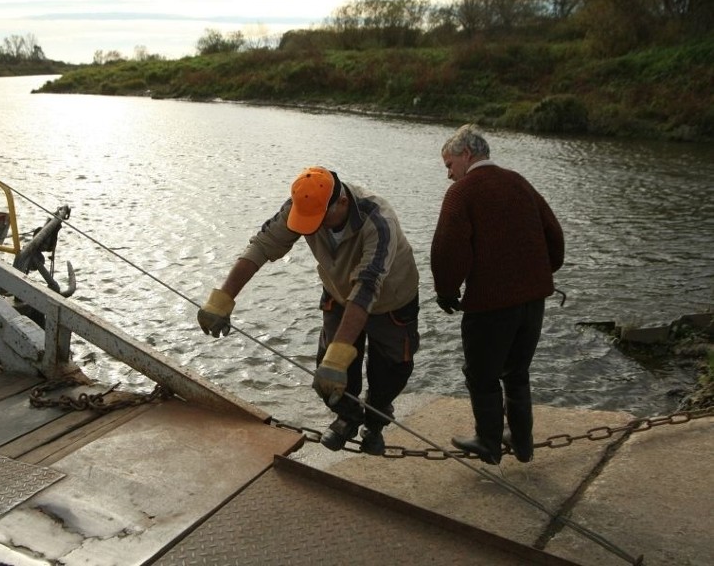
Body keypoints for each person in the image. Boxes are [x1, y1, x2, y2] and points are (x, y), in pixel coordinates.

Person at [197, 166, 420, 455]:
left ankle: (375, 423)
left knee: (390, 371)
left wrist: (340, 354)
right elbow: (262, 246)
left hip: (390, 297)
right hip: (339, 293)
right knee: (327, 371)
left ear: (341, 202)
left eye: (320, 219)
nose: (312, 227)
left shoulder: (378, 220)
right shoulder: (302, 205)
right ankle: (348, 418)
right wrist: (222, 299)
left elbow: (367, 288)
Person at [430, 125, 564, 464]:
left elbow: (447, 249)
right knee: (517, 373)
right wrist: (540, 274)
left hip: (490, 305)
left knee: (482, 374)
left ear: (466, 155)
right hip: (534, 301)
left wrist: (446, 290)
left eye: (449, 165)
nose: (448, 174)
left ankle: (488, 442)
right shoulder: (518, 182)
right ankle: (522, 441)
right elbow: (554, 235)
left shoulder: (463, 193)